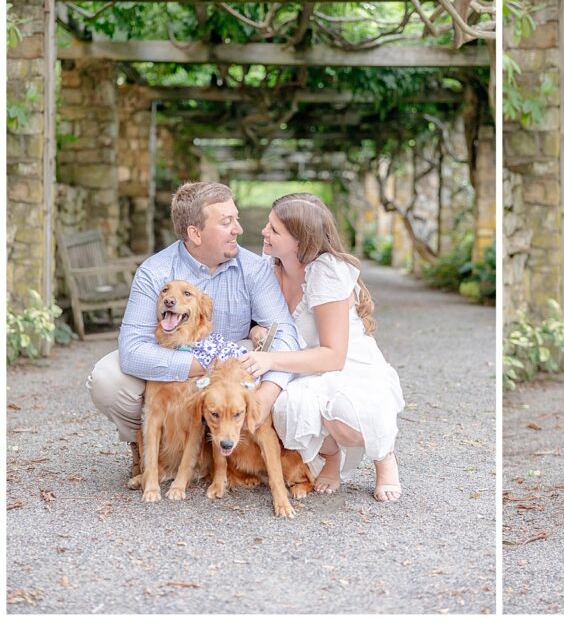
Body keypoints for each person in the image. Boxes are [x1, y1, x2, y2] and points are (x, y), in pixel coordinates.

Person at [87, 182, 301, 478]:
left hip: (231, 368)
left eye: (235, 218)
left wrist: (266, 394)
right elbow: (133, 349)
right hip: (177, 362)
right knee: (106, 377)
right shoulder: (155, 271)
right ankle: (151, 450)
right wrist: (197, 365)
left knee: (271, 359)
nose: (237, 229)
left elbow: (286, 335)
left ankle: (236, 457)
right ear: (195, 233)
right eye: (226, 222)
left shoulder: (254, 269)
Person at [237, 192, 405, 503]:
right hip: (297, 363)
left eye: (274, 229)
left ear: (299, 241)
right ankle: (331, 459)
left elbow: (333, 355)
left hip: (345, 365)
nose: (264, 232)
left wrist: (270, 357)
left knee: (346, 414)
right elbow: (257, 319)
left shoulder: (326, 271)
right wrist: (258, 331)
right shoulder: (267, 266)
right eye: (267, 225)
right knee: (288, 408)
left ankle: (385, 459)